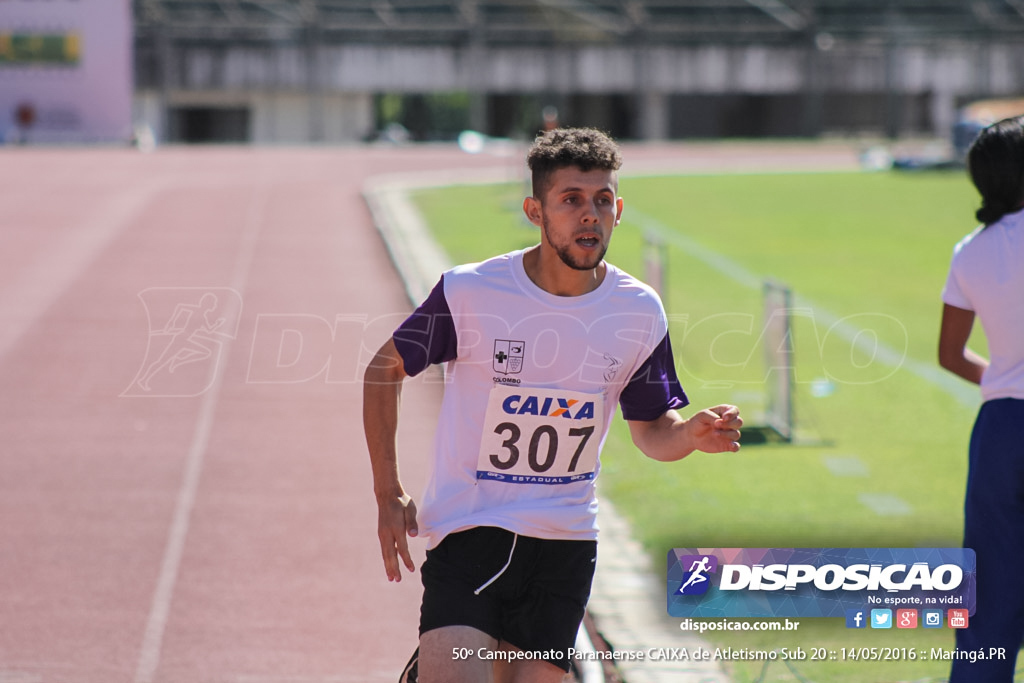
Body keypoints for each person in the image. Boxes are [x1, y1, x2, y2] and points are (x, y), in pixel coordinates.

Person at [364, 127, 743, 683]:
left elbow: (651, 430)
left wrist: (688, 435)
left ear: (619, 210)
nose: (589, 214)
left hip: (564, 549)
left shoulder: (638, 310)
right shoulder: (471, 292)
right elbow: (384, 369)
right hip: (472, 532)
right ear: (535, 211)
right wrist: (387, 490)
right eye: (571, 200)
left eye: (602, 200)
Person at [938, 115, 1024, 682]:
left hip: (999, 434)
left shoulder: (970, 251)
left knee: (988, 604)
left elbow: (951, 354)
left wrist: (1004, 381)